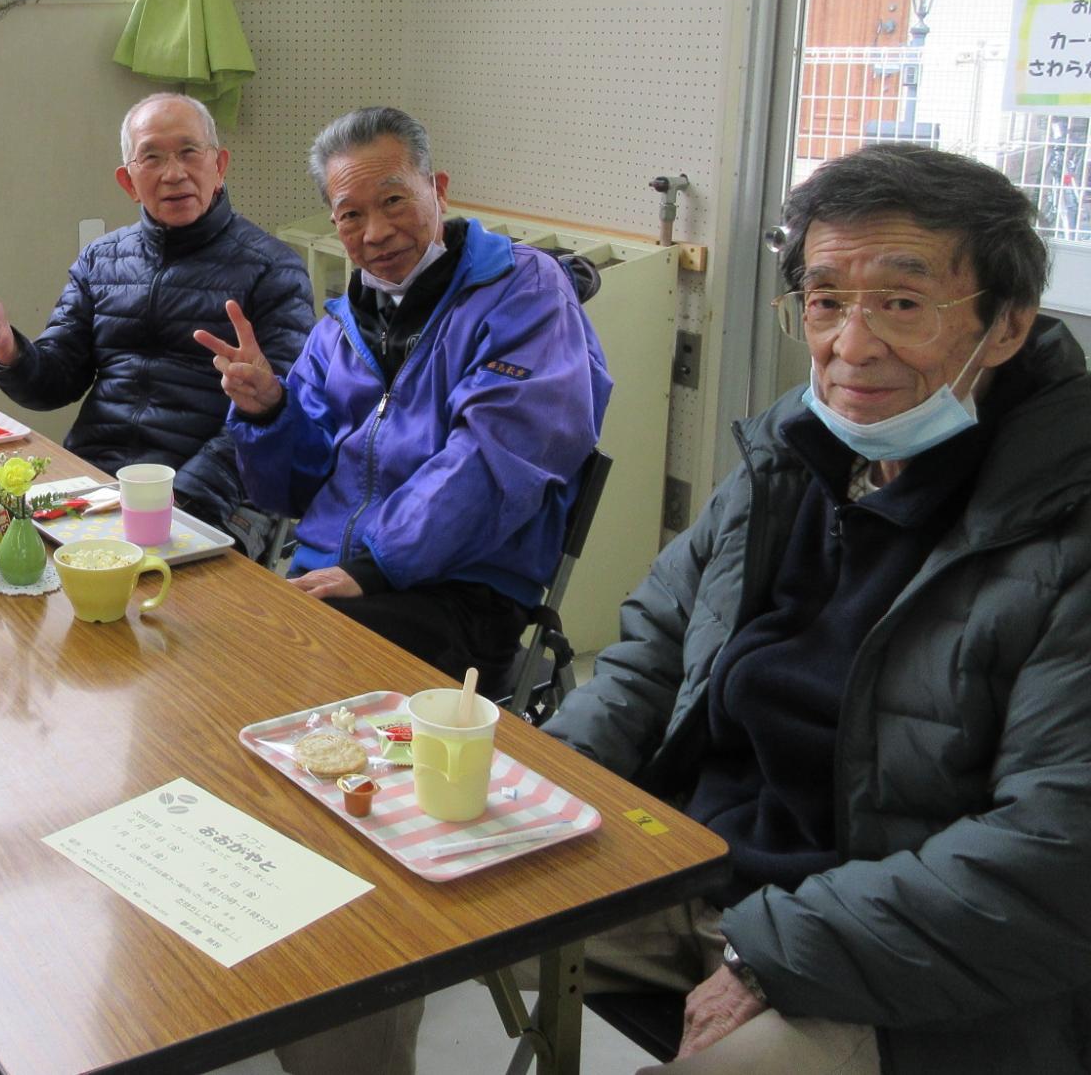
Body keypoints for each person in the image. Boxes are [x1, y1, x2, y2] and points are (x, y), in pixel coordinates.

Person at [315, 142, 1091, 1075]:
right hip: (682, 856)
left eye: (901, 303)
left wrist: (780, 952)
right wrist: (551, 787)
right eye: (827, 300)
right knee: (336, 918)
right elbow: (652, 648)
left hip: (883, 941)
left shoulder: (1060, 529)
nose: (850, 346)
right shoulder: (793, 458)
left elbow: (1056, 857)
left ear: (1006, 326)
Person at [203, 105, 610, 687]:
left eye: (394, 200)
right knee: (204, 638)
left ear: (437, 189)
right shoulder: (338, 330)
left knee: (280, 669)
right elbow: (289, 491)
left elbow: (497, 458)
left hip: (461, 590)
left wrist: (376, 566)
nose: (375, 232)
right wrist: (267, 411)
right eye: (351, 214)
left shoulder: (527, 292)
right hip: (335, 579)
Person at [0, 92, 312, 555]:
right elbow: (53, 383)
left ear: (219, 164)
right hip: (98, 476)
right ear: (128, 180)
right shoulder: (102, 259)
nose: (174, 173)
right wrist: (6, 349)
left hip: (216, 492)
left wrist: (179, 497)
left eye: (189, 152)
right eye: (152, 157)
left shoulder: (272, 269)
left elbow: (276, 418)